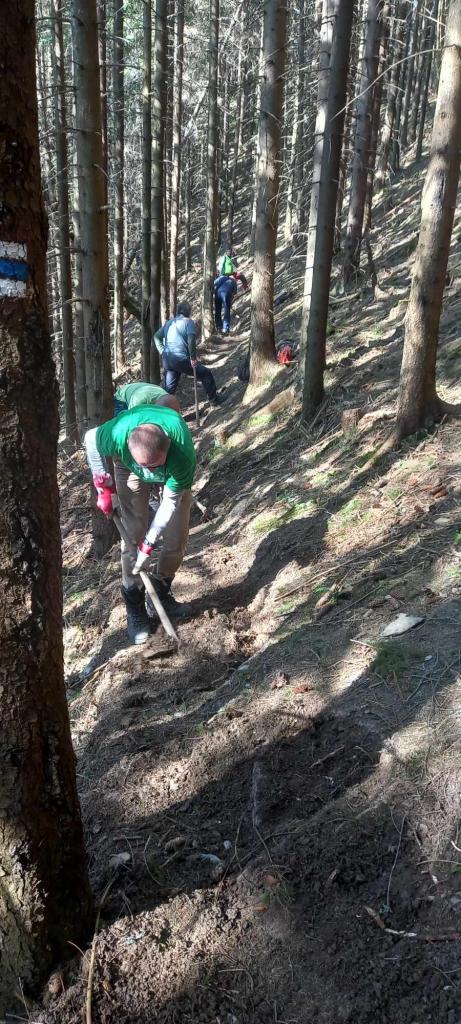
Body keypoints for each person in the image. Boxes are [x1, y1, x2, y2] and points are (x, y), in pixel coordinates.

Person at [84, 405, 196, 645]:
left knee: (176, 538)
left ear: (167, 446)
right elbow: (90, 439)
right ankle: (135, 605)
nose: (148, 473)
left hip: (171, 474)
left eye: (153, 466)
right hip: (128, 467)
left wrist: (150, 544)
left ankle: (161, 592)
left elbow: (169, 503)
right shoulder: (117, 434)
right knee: (132, 537)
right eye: (145, 466)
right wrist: (102, 485)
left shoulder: (182, 456)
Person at [153, 300, 222, 406]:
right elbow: (191, 340)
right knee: (205, 373)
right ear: (188, 312)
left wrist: (162, 351)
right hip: (180, 358)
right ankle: (214, 400)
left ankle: (162, 410)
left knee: (169, 390)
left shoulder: (169, 323)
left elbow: (156, 336)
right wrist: (193, 357)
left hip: (167, 359)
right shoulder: (188, 322)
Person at [113, 380, 181, 415]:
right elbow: (131, 418)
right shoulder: (138, 401)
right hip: (121, 398)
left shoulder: (168, 399)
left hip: (141, 391)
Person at [214, 270, 248, 335]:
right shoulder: (233, 281)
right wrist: (230, 302)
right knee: (227, 310)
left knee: (217, 310)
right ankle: (225, 329)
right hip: (226, 294)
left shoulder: (220, 278)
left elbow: (213, 284)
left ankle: (218, 326)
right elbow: (233, 293)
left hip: (217, 293)